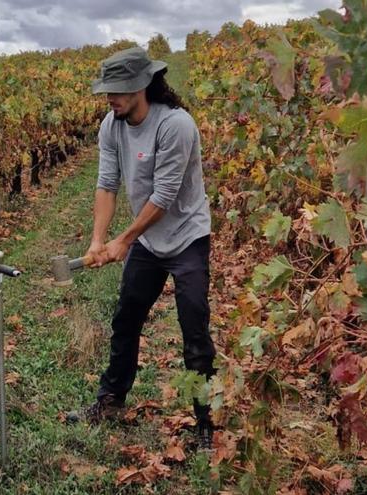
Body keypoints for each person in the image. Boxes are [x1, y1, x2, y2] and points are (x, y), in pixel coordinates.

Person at [67, 47, 216, 450]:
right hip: (150, 242)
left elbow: (164, 194)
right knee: (126, 317)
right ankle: (111, 399)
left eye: (117, 90)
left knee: (194, 328)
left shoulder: (176, 125)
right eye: (106, 90)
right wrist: (99, 240)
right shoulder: (111, 125)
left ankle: (205, 421)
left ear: (142, 85)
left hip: (187, 236)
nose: (109, 97)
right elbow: (106, 183)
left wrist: (123, 239)